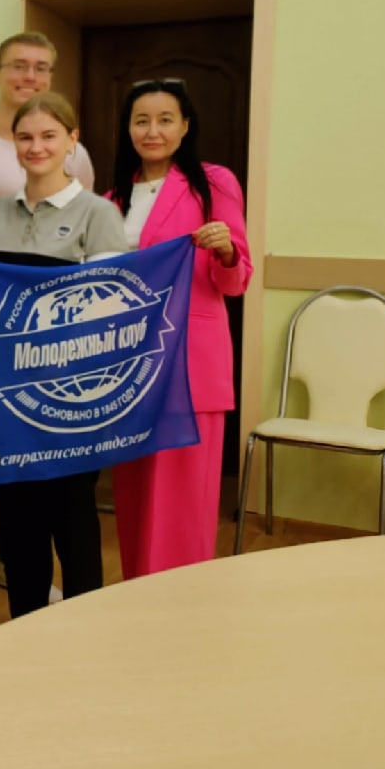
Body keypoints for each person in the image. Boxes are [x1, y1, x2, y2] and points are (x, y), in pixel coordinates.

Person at [0, 93, 128, 617]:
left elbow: (109, 313)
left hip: (72, 400)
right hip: (11, 398)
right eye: (25, 137)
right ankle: (25, 630)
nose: (36, 146)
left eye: (49, 136)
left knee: (72, 520)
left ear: (72, 141)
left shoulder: (98, 213)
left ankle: (85, 633)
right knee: (18, 524)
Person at [108, 79, 252, 577]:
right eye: (141, 120)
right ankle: (137, 594)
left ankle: (184, 601)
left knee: (185, 499)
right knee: (134, 491)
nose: (153, 130)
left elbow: (236, 281)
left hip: (192, 363)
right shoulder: (113, 197)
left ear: (185, 126)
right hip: (131, 366)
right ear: (128, 129)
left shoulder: (215, 183)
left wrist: (227, 250)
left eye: (165, 119)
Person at [0, 32, 96, 197]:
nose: (30, 77)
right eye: (19, 66)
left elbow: (84, 208)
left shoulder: (71, 151)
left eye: (41, 69)